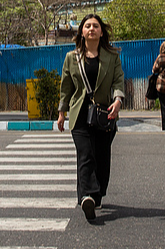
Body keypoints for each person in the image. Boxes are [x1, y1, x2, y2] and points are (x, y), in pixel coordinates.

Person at [57, 13, 125, 221]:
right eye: (87, 26)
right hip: (79, 115)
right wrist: (62, 112)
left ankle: (96, 194)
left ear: (101, 31)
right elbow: (66, 86)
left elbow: (118, 81)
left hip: (104, 115)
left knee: (102, 158)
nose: (91, 29)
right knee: (85, 155)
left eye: (95, 26)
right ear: (82, 32)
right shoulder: (72, 58)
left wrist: (118, 100)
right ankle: (87, 196)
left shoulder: (112, 56)